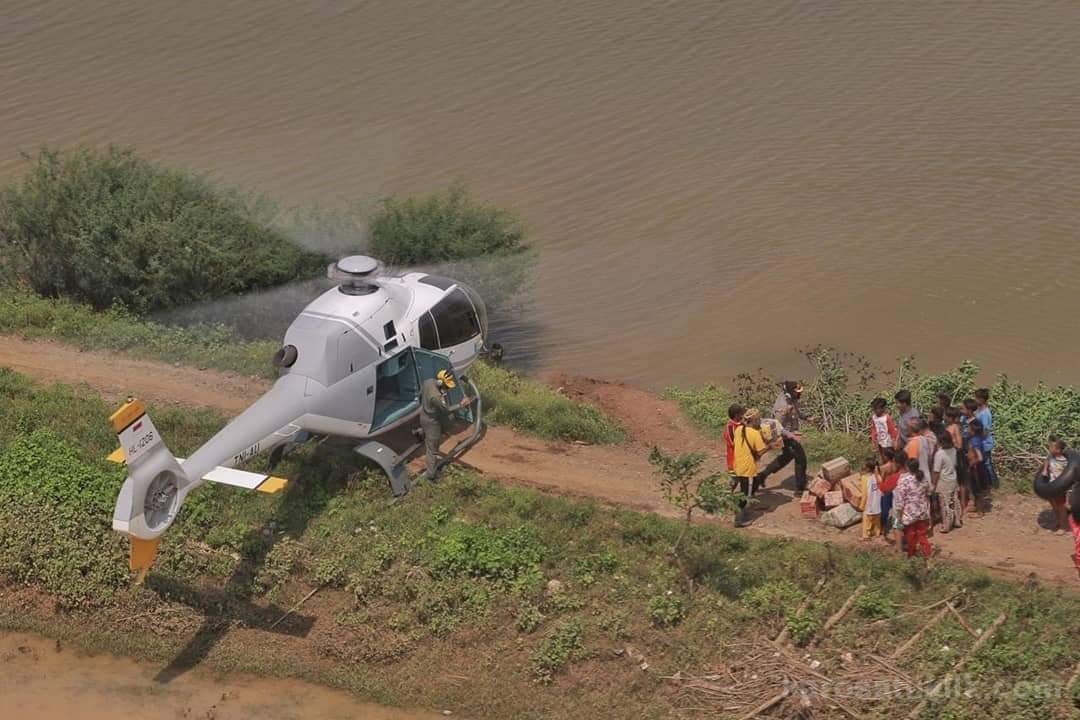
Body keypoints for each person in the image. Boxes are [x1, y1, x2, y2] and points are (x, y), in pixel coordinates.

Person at [419, 369, 472, 481]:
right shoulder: (436, 397)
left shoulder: (428, 382)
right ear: (441, 383)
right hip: (432, 423)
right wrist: (461, 405)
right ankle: (431, 475)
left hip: (424, 415)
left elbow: (420, 395)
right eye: (447, 387)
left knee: (434, 438)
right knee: (432, 450)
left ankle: (421, 432)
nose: (447, 389)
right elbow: (446, 410)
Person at [731, 408, 772, 527]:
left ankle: (742, 510)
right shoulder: (754, 434)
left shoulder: (738, 429)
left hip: (738, 465)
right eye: (758, 419)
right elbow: (760, 452)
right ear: (753, 420)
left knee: (754, 483)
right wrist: (771, 446)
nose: (759, 422)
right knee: (745, 494)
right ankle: (739, 520)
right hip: (747, 468)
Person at [767, 381, 809, 491]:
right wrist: (792, 435)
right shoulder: (782, 407)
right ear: (790, 393)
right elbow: (777, 426)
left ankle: (761, 476)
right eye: (797, 392)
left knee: (786, 457)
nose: (799, 394)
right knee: (801, 459)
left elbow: (797, 412)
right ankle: (800, 489)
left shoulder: (792, 400)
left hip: (792, 433)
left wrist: (807, 418)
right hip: (786, 436)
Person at [894, 457, 934, 558]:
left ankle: (911, 557)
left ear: (907, 467)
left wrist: (899, 517)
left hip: (909, 514)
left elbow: (900, 501)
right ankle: (928, 556)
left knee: (911, 537)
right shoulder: (923, 478)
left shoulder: (904, 480)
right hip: (922, 512)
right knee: (922, 536)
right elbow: (929, 492)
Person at [933, 432, 962, 532]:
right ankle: (957, 520)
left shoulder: (939, 454)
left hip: (943, 481)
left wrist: (933, 484)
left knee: (945, 504)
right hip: (953, 478)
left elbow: (936, 471)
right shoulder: (953, 450)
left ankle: (946, 525)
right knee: (955, 500)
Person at [1041, 438, 1071, 535]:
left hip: (1060, 487)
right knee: (1054, 506)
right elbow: (1047, 460)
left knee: (1060, 506)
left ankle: (1063, 527)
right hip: (1051, 484)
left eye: (1051, 447)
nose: (1049, 448)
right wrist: (1045, 470)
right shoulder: (1051, 456)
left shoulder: (1065, 461)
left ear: (1058, 450)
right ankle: (1058, 523)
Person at [945, 407, 970, 512]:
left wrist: (951, 444)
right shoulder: (949, 426)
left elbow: (959, 444)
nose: (944, 417)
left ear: (950, 417)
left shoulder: (954, 427)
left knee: (961, 480)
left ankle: (963, 503)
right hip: (950, 455)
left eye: (946, 415)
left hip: (956, 455)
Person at [878, 448, 905, 546]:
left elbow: (882, 480)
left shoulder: (884, 467)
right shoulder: (899, 470)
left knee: (885, 511)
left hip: (888, 490)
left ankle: (882, 530)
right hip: (898, 497)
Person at [974, 388, 999, 489]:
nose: (975, 400)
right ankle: (987, 483)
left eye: (977, 398)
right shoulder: (979, 410)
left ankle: (993, 483)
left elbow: (985, 430)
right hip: (981, 442)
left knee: (987, 464)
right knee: (984, 464)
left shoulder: (985, 413)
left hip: (985, 442)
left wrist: (978, 439)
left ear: (982, 399)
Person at [966, 418, 991, 516]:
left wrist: (971, 464)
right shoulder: (978, 439)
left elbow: (979, 457)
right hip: (977, 467)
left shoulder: (974, 441)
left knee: (978, 490)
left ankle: (980, 511)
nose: (967, 430)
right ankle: (976, 506)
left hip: (976, 468)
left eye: (968, 428)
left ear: (973, 430)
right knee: (975, 488)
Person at [904, 418, 938, 487]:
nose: (905, 429)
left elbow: (912, 465)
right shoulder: (924, 439)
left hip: (917, 481)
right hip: (925, 477)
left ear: (910, 429)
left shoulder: (913, 443)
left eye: (907, 427)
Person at [861, 458, 883, 541]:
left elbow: (865, 494)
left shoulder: (864, 478)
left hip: (868, 504)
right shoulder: (879, 477)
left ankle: (866, 535)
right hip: (877, 504)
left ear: (867, 468)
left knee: (866, 520)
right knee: (877, 521)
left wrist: (862, 505)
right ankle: (877, 533)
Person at [724, 404, 745, 477]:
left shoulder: (741, 424)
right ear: (736, 415)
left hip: (742, 459)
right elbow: (732, 443)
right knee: (733, 481)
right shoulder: (730, 427)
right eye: (741, 414)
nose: (742, 416)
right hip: (734, 460)